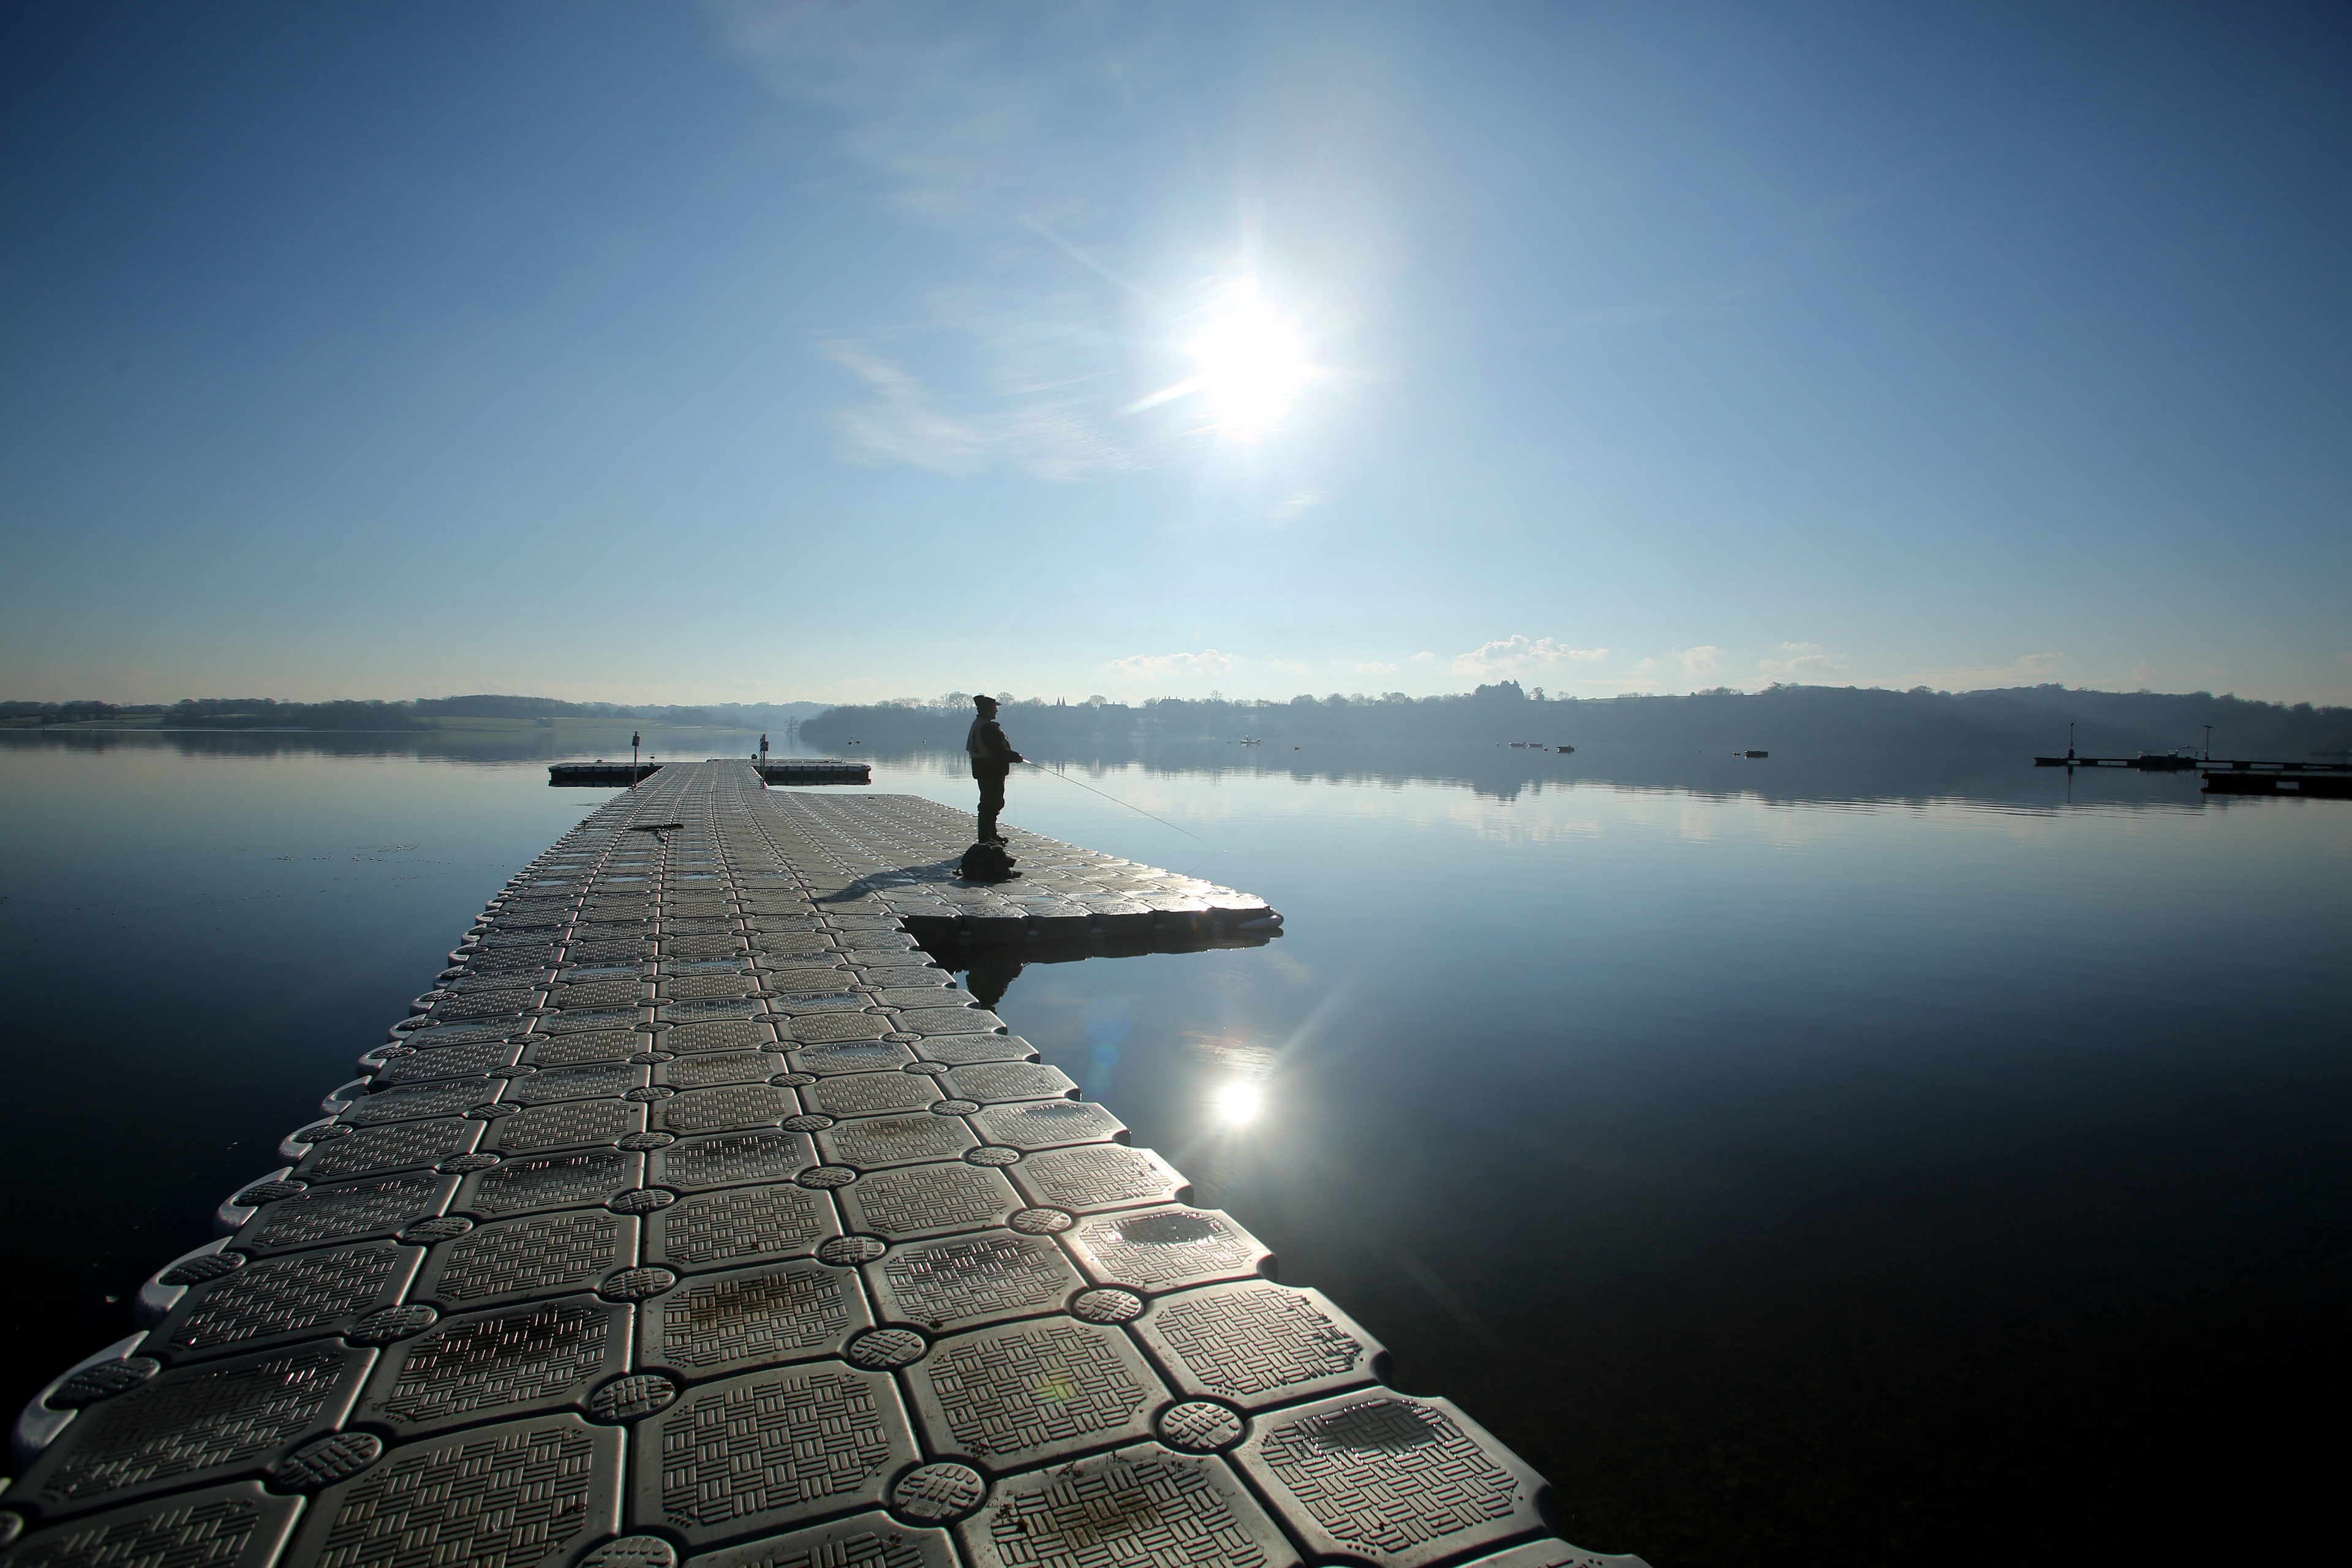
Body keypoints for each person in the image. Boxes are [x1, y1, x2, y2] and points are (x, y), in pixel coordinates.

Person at [965, 695, 1025, 844]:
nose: (996, 712)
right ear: (987, 710)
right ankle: (986, 839)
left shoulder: (979, 724)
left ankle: (991, 836)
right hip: (991, 770)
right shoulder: (987, 727)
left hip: (983, 769)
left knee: (992, 803)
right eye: (994, 709)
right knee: (990, 804)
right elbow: (998, 751)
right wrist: (1016, 757)